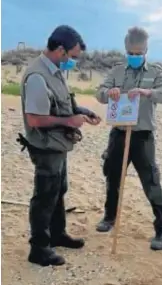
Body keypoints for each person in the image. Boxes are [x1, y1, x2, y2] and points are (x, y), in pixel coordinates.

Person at [19, 25, 101, 266]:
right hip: (45, 147)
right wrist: (70, 121)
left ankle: (57, 234)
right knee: (45, 196)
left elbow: (63, 103)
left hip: (58, 144)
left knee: (59, 189)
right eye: (73, 57)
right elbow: (35, 119)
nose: (74, 62)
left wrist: (81, 112)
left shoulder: (54, 71)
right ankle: (39, 248)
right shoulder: (37, 77)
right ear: (60, 50)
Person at [95, 27, 162, 251]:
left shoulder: (156, 73)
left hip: (143, 136)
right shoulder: (117, 71)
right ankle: (109, 218)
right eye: (131, 52)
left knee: (151, 182)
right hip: (119, 134)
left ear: (146, 50)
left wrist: (148, 93)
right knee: (112, 176)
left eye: (139, 53)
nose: (135, 56)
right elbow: (100, 92)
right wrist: (109, 93)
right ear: (126, 50)